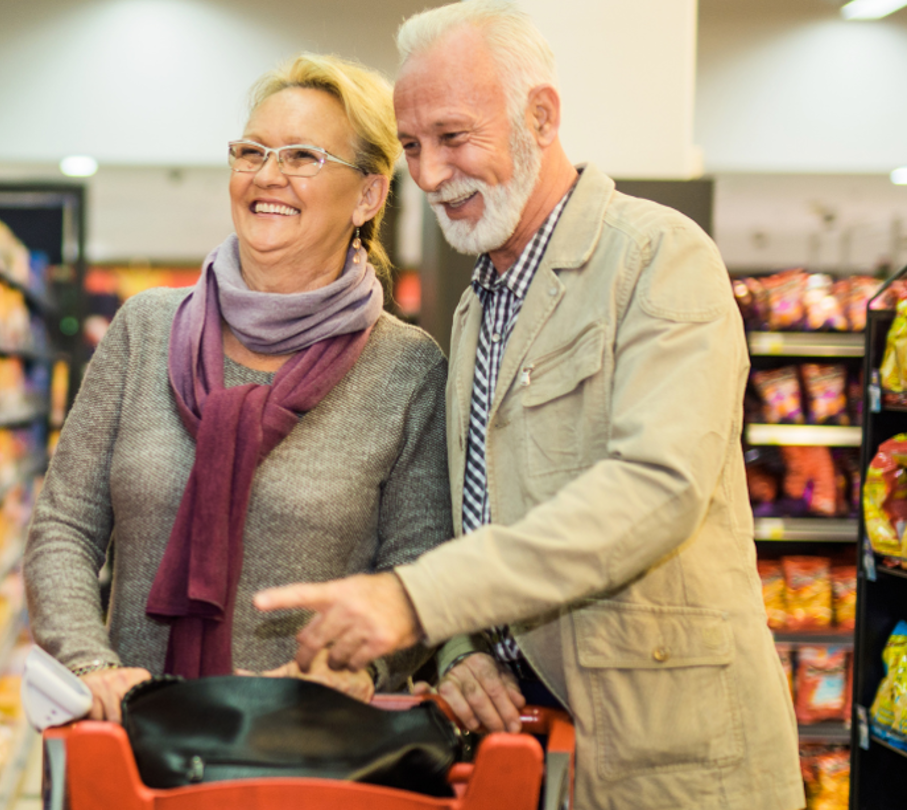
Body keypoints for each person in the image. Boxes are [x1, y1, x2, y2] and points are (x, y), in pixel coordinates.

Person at [248, 4, 805, 808]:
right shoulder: (480, 304)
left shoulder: (656, 257)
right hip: (538, 747)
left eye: (453, 136)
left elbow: (655, 488)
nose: (432, 174)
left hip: (665, 760)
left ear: (541, 116)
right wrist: (463, 645)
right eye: (411, 147)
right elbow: (489, 508)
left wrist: (416, 599)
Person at [23, 53, 452, 724]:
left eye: (303, 156)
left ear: (368, 196)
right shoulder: (144, 329)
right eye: (251, 151)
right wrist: (89, 664)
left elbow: (417, 569)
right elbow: (65, 527)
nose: (267, 175)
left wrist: (361, 669)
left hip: (311, 748)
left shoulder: (406, 368)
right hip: (134, 738)